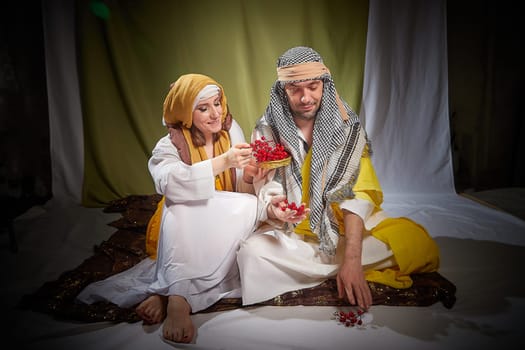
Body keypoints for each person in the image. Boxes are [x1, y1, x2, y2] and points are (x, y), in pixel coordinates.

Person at [238, 46, 440, 311]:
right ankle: (332, 269)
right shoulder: (267, 128)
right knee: (252, 253)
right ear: (282, 90)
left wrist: (352, 259)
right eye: (294, 89)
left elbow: (358, 193)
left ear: (325, 83)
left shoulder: (346, 127)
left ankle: (331, 268)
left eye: (313, 86)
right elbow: (268, 186)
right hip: (291, 232)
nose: (305, 97)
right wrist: (277, 206)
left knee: (416, 243)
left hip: (343, 228)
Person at [77, 73, 261, 343]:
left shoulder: (231, 131)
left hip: (225, 219)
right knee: (181, 202)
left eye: (218, 103)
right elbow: (169, 183)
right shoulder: (170, 144)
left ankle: (164, 294)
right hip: (184, 224)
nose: (215, 114)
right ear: (186, 113)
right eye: (203, 108)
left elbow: (240, 193)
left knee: (250, 204)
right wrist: (224, 162)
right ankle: (178, 299)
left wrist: (249, 175)